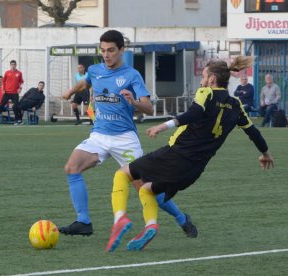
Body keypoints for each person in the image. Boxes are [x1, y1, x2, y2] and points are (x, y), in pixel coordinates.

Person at [106, 57, 274, 252]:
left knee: (121, 174)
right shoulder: (236, 105)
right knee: (146, 190)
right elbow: (254, 132)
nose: (201, 81)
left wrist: (162, 126)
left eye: (203, 76)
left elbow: (192, 114)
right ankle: (150, 226)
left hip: (175, 156)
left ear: (212, 79)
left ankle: (120, 218)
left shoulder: (206, 93)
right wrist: (265, 153)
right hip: (193, 170)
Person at [59, 30, 197, 239]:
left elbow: (149, 108)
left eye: (111, 50)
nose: (107, 55)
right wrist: (70, 91)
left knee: (146, 188)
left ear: (121, 50)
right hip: (99, 136)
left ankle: (181, 218)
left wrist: (133, 102)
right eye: (103, 50)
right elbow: (85, 82)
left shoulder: (132, 75)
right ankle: (83, 221)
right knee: (71, 167)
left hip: (125, 139)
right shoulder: (95, 70)